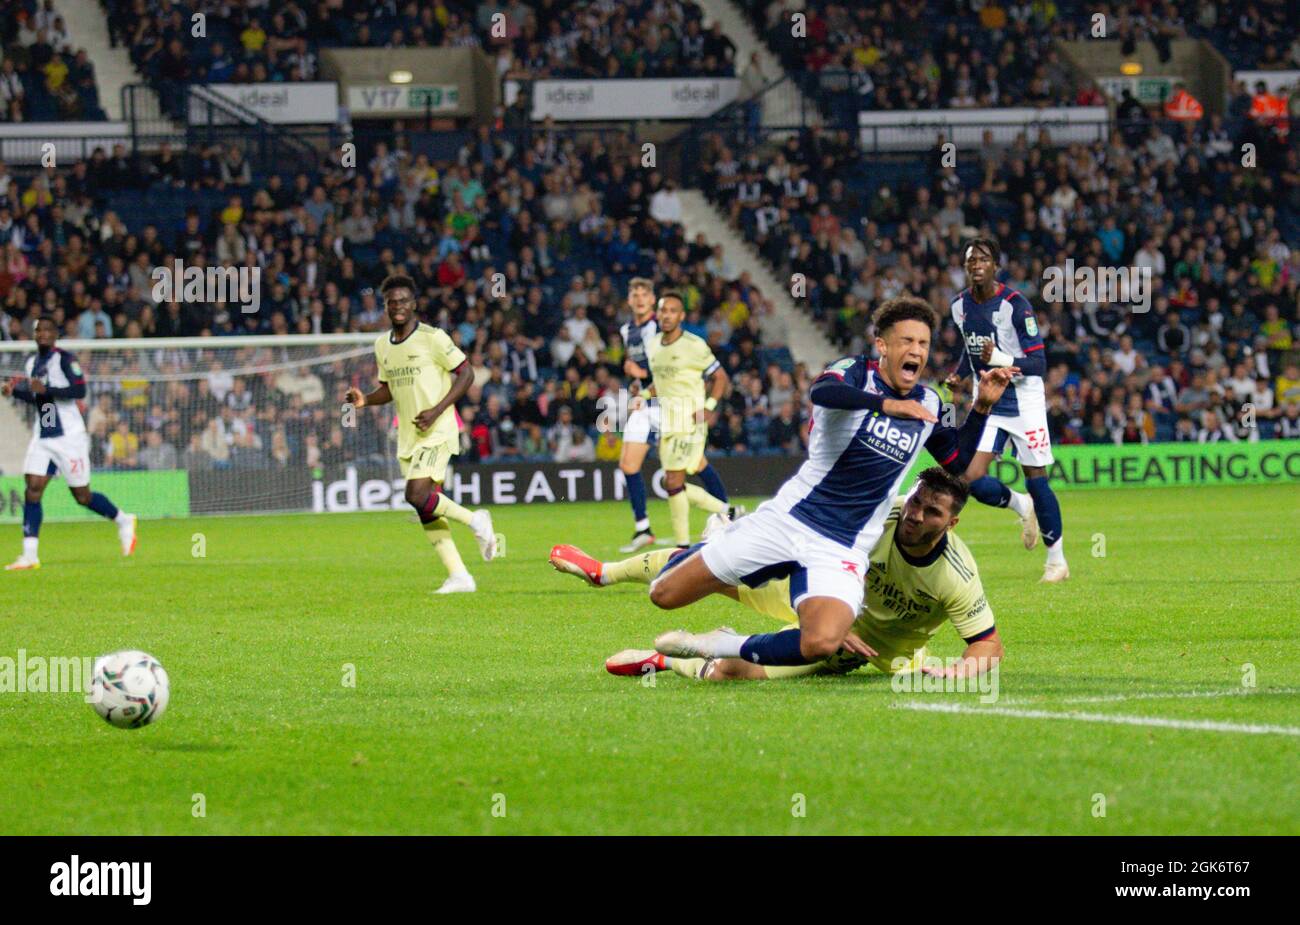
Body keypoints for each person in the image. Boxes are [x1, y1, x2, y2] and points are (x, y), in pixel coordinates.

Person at [639, 296, 1015, 668]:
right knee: (664, 594)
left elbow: (958, 463)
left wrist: (982, 407)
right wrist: (886, 405)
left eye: (923, 343)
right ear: (882, 345)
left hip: (843, 548)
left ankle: (722, 645)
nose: (916, 350)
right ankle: (719, 537)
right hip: (789, 520)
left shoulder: (930, 403)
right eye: (907, 341)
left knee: (822, 642)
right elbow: (822, 391)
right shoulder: (854, 371)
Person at [551, 467, 1002, 684]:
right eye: (917, 501)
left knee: (730, 675)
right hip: (819, 596)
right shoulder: (879, 514)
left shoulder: (955, 574)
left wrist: (959, 672)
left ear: (952, 523)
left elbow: (988, 645)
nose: (916, 515)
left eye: (932, 512)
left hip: (871, 650)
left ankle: (666, 661)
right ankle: (604, 572)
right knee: (707, 569)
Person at [344, 274, 497, 594]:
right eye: (392, 302)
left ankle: (476, 520)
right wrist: (366, 400)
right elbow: (389, 389)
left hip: (439, 428)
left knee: (415, 494)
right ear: (386, 307)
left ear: (414, 304)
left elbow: (466, 373)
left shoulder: (433, 337)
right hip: (409, 435)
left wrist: (438, 409)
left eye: (404, 301)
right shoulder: (382, 345)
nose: (398, 307)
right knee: (424, 505)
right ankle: (459, 576)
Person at [947, 237, 1068, 582]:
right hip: (987, 400)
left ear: (995, 265)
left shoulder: (1016, 305)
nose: (976, 264)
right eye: (970, 259)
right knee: (966, 477)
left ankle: (1057, 561)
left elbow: (1038, 363)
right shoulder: (959, 306)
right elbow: (971, 350)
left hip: (1023, 402)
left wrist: (998, 359)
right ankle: (1019, 505)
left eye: (983, 258)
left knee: (1037, 481)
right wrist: (959, 374)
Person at [3, 315, 136, 570]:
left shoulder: (65, 360)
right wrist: (15, 392)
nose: (42, 334)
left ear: (55, 335)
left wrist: (48, 389)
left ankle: (122, 519)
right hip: (44, 434)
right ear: (34, 335)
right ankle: (29, 555)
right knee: (32, 488)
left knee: (82, 496)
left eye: (48, 330)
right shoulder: (32, 363)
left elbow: (79, 391)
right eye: (39, 330)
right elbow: (38, 398)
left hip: (69, 437)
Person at [644, 290, 731, 548]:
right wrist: (642, 394)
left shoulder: (694, 345)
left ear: (681, 316)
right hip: (667, 421)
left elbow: (721, 377)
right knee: (695, 469)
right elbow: (661, 383)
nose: (667, 315)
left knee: (672, 481)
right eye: (663, 310)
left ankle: (682, 546)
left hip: (690, 420)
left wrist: (709, 406)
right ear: (657, 314)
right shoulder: (653, 345)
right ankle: (731, 513)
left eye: (672, 311)